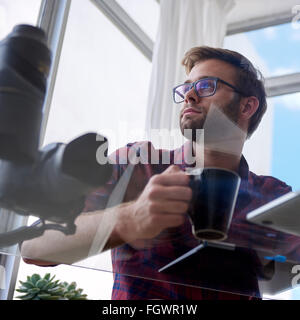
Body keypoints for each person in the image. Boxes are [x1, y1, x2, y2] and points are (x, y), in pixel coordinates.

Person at [21, 46, 300, 300]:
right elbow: (33, 247)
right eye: (186, 88)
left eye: (206, 86)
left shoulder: (271, 196)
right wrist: (128, 218)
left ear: (247, 106)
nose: (189, 95)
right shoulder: (137, 164)